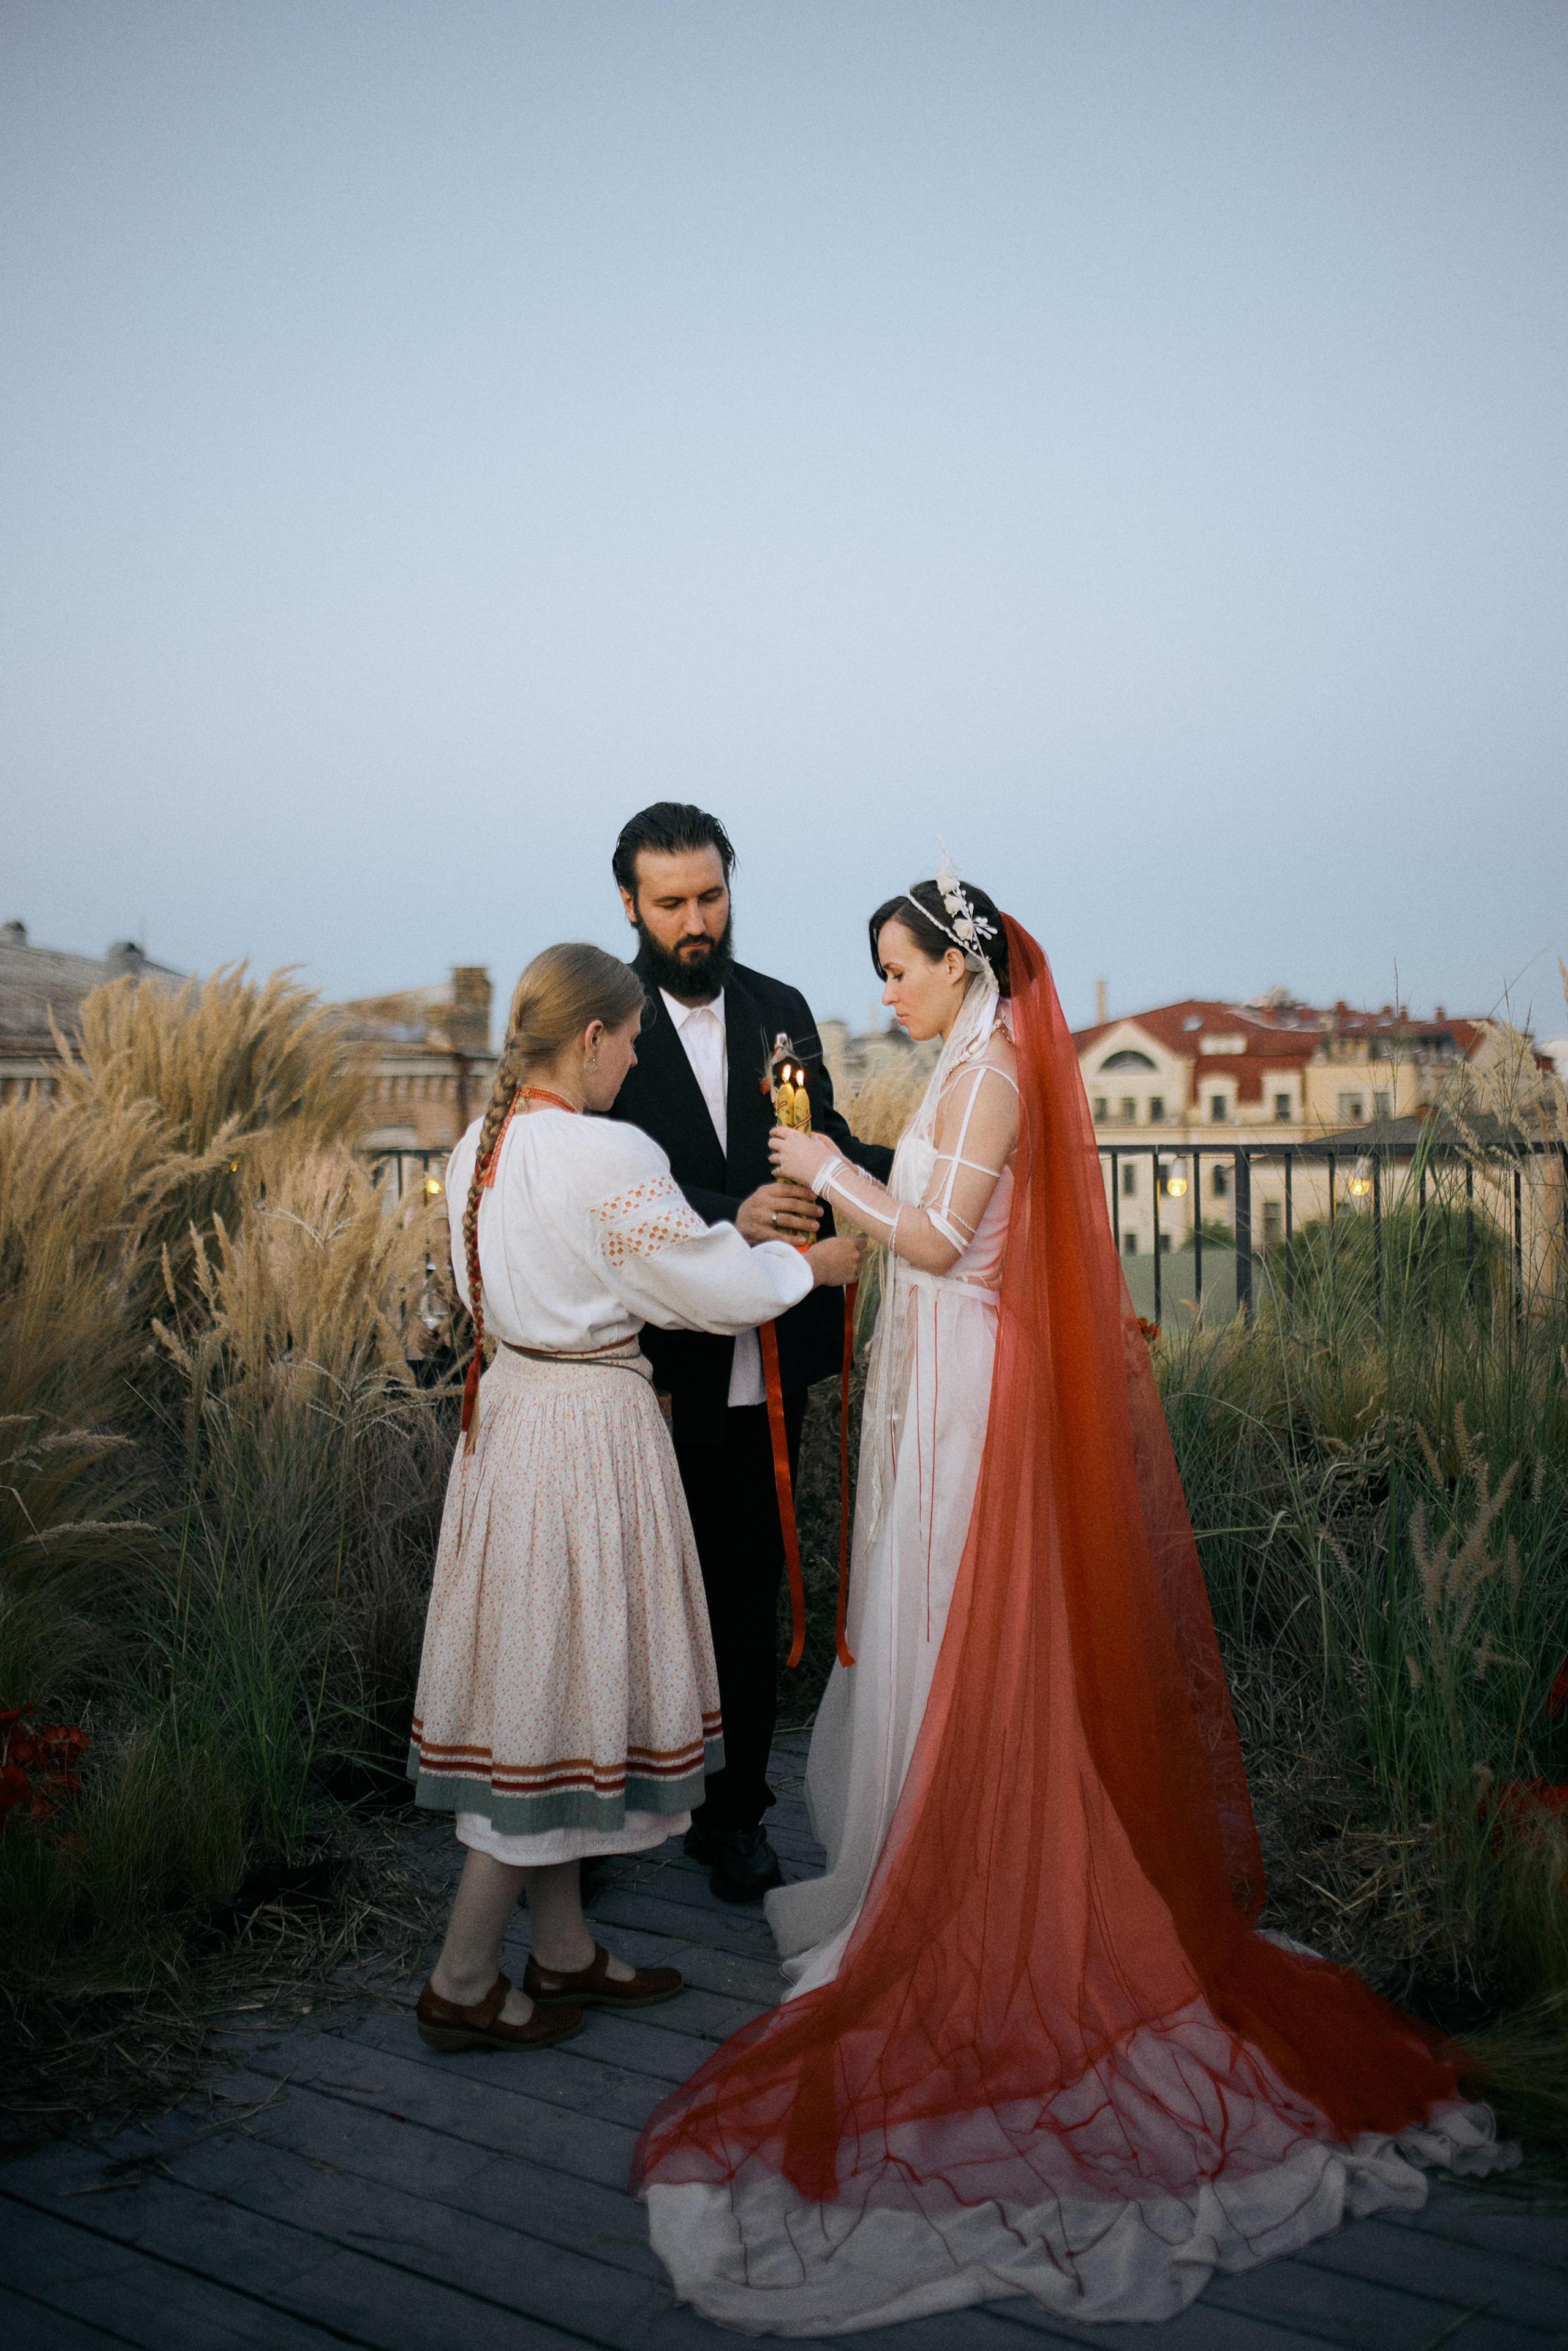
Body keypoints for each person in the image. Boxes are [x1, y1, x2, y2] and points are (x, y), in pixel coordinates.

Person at [631, 869, 1511, 2333]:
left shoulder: (983, 1079)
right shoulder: (966, 1061)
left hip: (981, 1382)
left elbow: (927, 1239)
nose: (886, 995)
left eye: (898, 971)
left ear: (959, 969)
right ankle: (933, 1844)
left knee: (977, 1616)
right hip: (951, 1369)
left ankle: (983, 1868)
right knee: (934, 1613)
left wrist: (821, 1161)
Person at [409, 943, 861, 2054]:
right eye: (631, 1042)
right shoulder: (608, 1151)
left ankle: (560, 1948)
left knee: (547, 1682)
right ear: (595, 1038)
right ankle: (464, 1974)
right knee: (555, 1694)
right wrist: (814, 1268)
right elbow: (703, 1289)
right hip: (583, 1438)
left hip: (508, 1422)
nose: (637, 1060)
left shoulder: (480, 1144)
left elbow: (478, 1288)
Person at [606, 803, 893, 1903]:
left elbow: (825, 1144)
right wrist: (740, 1215)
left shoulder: (781, 1008)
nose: (696, 920)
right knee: (636, 1593)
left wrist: (923, 1177)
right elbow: (613, 1185)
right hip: (650, 1365)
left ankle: (737, 1818)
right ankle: (605, 1818)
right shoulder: (604, 1018)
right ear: (629, 905)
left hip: (770, 1356)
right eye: (671, 901)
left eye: (711, 895)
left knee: (751, 1582)